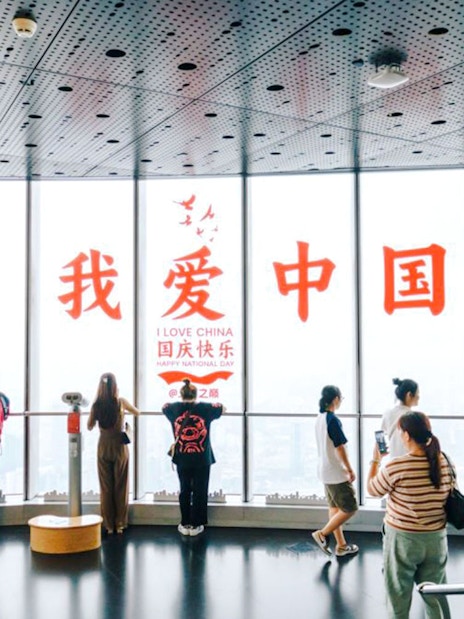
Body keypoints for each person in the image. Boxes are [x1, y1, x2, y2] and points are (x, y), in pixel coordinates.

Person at [367, 411, 454, 619]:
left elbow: (372, 490)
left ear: (406, 435)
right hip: (436, 540)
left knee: (398, 595)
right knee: (435, 594)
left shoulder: (397, 466)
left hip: (403, 540)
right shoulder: (444, 461)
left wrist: (375, 461)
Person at [162, 378, 225, 537]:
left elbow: (164, 407)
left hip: (182, 457)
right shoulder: (205, 408)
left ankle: (185, 523)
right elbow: (222, 408)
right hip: (202, 457)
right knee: (200, 489)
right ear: (196, 394)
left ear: (181, 394)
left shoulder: (173, 408)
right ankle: (197, 524)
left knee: (184, 490)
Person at [87, 372, 139, 535]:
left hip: (103, 446)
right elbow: (137, 412)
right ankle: (120, 524)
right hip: (119, 447)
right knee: (121, 486)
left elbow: (89, 426)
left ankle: (108, 525)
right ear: (115, 386)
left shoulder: (96, 405)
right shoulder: (120, 403)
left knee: (106, 487)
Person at [311, 385, 359, 558]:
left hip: (324, 470)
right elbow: (340, 447)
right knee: (350, 508)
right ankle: (322, 534)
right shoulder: (332, 420)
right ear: (336, 399)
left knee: (335, 508)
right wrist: (349, 469)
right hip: (336, 471)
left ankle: (341, 546)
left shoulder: (319, 418)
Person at [381, 377, 419, 458]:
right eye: (417, 395)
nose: (418, 398)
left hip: (394, 460)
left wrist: (382, 451)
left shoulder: (388, 413)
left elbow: (380, 437)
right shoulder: (413, 416)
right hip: (409, 460)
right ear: (409, 395)